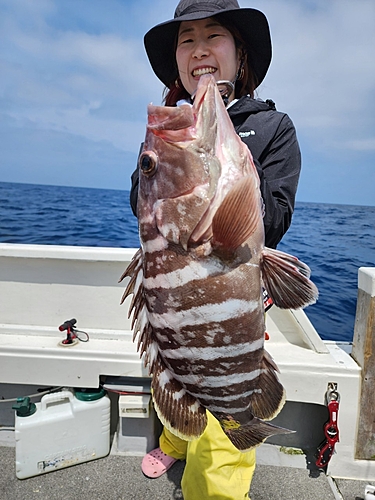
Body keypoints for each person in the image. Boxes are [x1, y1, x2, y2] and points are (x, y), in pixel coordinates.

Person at [129, 0, 301, 498]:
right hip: (177, 312)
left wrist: (232, 171)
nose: (199, 49)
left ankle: (217, 460)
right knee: (175, 386)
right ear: (178, 62)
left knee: (222, 454)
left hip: (233, 317)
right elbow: (142, 200)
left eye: (213, 35)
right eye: (187, 39)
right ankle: (176, 441)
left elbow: (276, 220)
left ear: (240, 54)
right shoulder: (174, 133)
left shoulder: (272, 129)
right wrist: (162, 164)